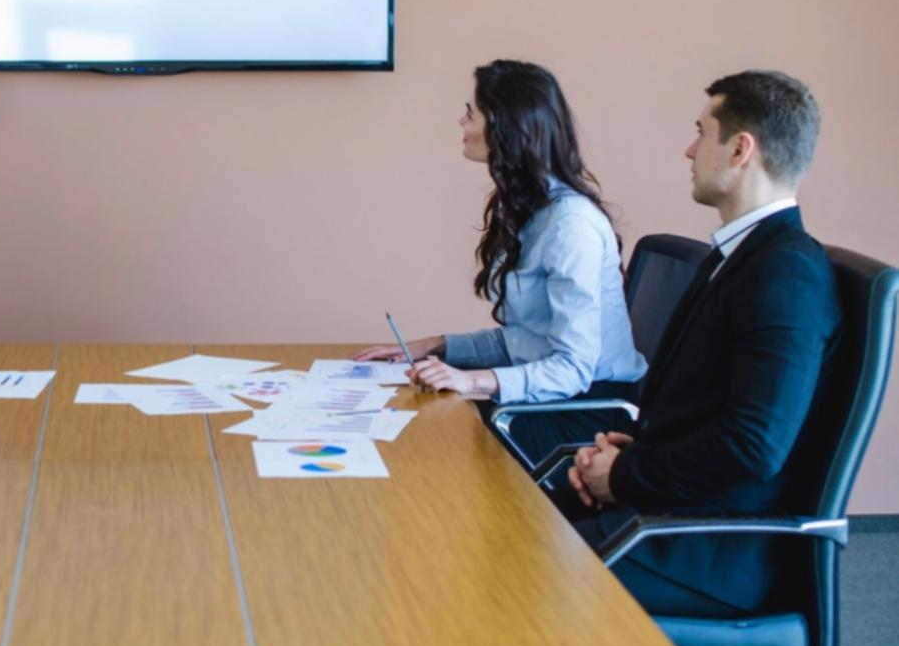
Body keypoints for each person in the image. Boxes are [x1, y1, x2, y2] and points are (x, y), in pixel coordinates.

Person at [565, 70, 841, 616]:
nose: (689, 150)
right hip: (675, 518)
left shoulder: (787, 273)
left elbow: (753, 445)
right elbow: (707, 409)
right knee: (508, 528)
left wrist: (624, 476)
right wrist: (629, 459)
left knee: (511, 575)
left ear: (741, 149)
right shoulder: (737, 257)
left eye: (701, 132)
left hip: (711, 552)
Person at [355, 60, 644, 462]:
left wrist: (469, 380)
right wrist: (435, 347)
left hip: (583, 413)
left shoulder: (570, 226)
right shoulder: (532, 210)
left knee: (432, 438)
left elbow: (572, 369)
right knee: (419, 417)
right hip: (547, 399)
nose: (461, 121)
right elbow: (523, 340)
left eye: (471, 113)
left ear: (506, 126)